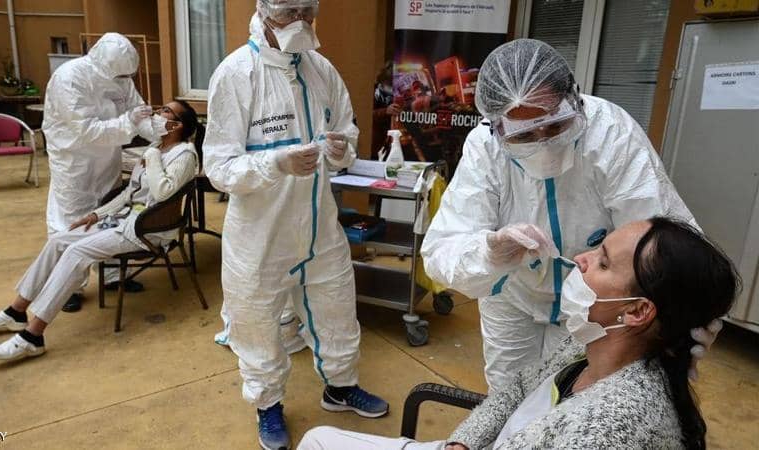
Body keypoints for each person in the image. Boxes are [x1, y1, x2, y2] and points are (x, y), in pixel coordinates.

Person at [299, 217, 739, 449]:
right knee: (318, 439)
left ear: (638, 311)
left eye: (603, 262)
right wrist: (462, 442)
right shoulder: (589, 346)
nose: (582, 259)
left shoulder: (608, 428)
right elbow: (517, 388)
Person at [421, 38, 709, 389]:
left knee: (582, 399)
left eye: (556, 126)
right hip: (513, 298)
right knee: (509, 395)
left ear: (573, 98)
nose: (544, 143)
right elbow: (442, 251)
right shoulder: (485, 148)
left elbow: (664, 242)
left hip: (598, 306)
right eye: (524, 135)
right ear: (495, 126)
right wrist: (487, 253)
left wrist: (680, 328)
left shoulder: (611, 134)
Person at [203, 1, 389, 448]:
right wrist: (276, 163)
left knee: (337, 310)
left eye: (308, 11)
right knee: (258, 323)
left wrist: (342, 150)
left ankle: (340, 387)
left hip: (320, 228)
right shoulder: (236, 74)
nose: (301, 22)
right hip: (261, 237)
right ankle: (268, 406)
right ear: (265, 10)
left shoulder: (322, 69)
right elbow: (219, 167)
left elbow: (346, 131)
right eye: (290, 12)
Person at [0, 100, 202, 361]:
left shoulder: (184, 155)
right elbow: (129, 193)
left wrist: (152, 158)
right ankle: (16, 311)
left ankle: (33, 336)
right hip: (124, 220)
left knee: (76, 252)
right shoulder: (156, 147)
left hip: (148, 229)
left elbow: (162, 194)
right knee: (59, 241)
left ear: (177, 125)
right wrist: (96, 215)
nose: (158, 113)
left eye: (165, 111)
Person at [42, 32, 162, 312]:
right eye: (120, 76)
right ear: (103, 65)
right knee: (71, 221)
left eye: (127, 76)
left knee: (109, 214)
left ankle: (112, 275)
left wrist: (162, 132)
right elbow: (87, 130)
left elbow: (138, 112)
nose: (124, 81)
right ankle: (68, 287)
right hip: (74, 161)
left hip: (107, 157)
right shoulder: (69, 78)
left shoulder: (122, 79)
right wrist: (128, 122)